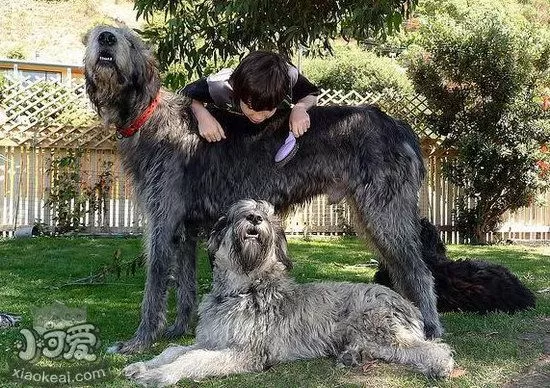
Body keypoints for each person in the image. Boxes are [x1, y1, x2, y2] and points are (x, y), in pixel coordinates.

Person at [178, 51, 320, 164]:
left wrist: (300, 108)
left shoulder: (288, 78)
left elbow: (312, 93)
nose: (258, 116)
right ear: (237, 92)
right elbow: (182, 96)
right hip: (225, 141)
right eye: (250, 107)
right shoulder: (220, 85)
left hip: (266, 141)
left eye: (268, 109)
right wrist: (201, 114)